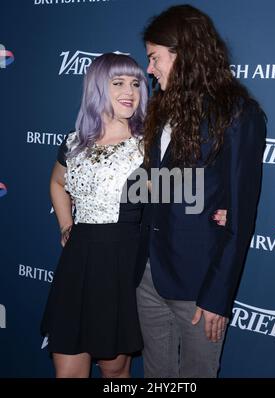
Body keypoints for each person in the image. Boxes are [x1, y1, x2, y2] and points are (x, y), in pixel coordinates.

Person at [135, 4, 266, 378]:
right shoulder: (162, 108)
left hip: (199, 285)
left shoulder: (239, 114)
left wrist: (217, 297)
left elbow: (241, 216)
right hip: (148, 275)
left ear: (185, 54)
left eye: (154, 58)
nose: (149, 69)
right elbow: (160, 187)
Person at [41, 53, 148, 378]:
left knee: (115, 370)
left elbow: (181, 196)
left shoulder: (149, 145)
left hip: (120, 262)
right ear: (97, 88)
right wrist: (65, 223)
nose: (129, 91)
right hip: (78, 262)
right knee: (67, 369)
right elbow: (58, 182)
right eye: (118, 83)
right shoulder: (74, 143)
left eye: (135, 83)